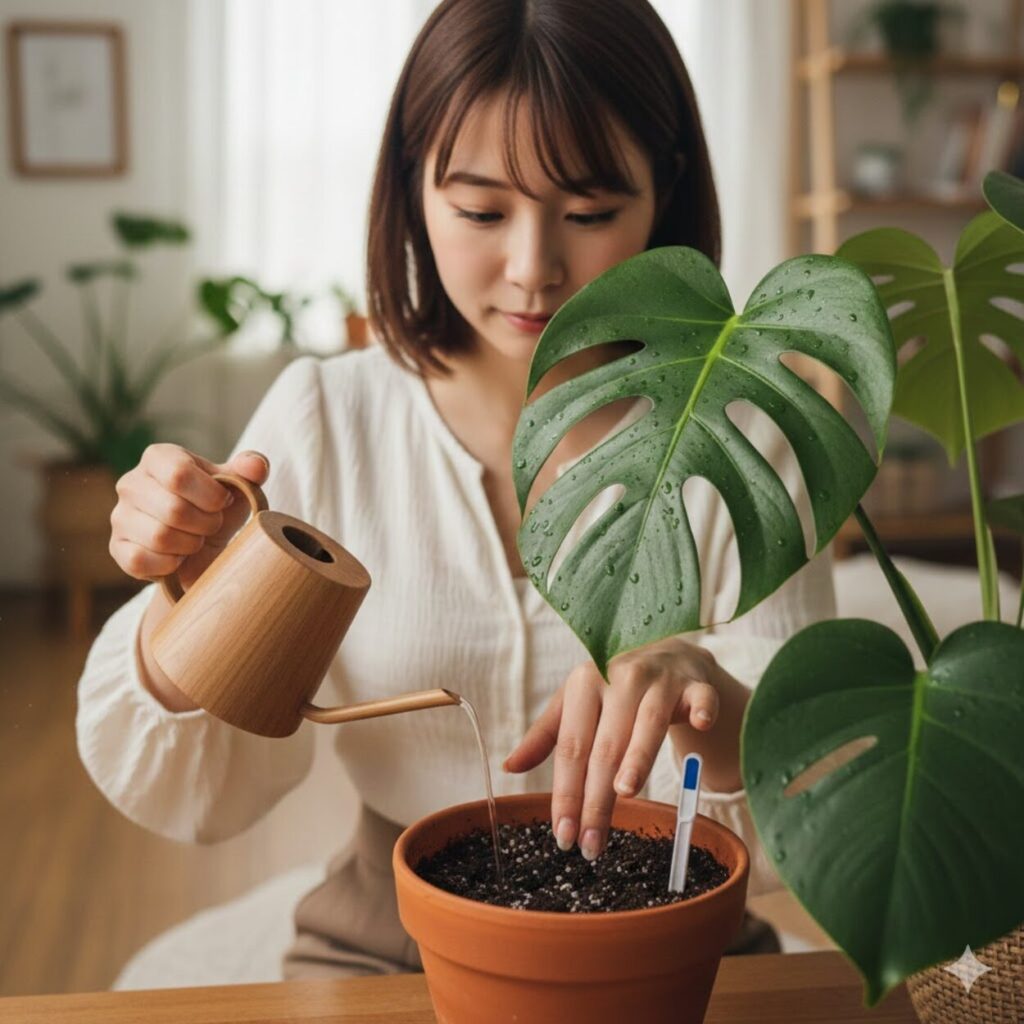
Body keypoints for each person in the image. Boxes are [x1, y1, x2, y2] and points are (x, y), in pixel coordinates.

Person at [78, 0, 836, 983]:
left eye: (590, 214)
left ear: (668, 192)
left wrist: (710, 699)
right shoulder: (327, 417)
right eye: (481, 211)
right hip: (388, 936)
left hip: (676, 933)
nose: (533, 270)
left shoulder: (746, 434)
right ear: (411, 190)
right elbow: (197, 796)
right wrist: (189, 598)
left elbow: (813, 805)